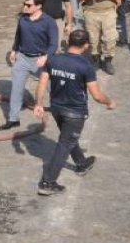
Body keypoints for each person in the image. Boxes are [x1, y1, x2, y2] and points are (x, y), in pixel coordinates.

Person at [33, 29, 116, 197]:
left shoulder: (53, 59)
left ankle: (82, 163)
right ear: (86, 45)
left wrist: (39, 104)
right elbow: (97, 96)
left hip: (56, 107)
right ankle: (47, 182)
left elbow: (42, 84)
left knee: (68, 138)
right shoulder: (85, 66)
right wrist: (110, 102)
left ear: (69, 42)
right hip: (75, 112)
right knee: (65, 143)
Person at [0, 0, 59, 131]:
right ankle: (13, 119)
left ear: (38, 6)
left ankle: (62, 111)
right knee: (16, 89)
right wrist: (14, 50)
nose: (24, 7)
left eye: (28, 5)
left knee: (53, 87)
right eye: (24, 4)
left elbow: (53, 43)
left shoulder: (49, 22)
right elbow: (18, 35)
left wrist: (46, 56)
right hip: (23, 58)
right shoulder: (23, 18)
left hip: (41, 60)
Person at [77, 0, 123, 75]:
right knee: (93, 38)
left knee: (110, 38)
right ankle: (96, 60)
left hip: (108, 12)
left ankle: (108, 60)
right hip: (91, 13)